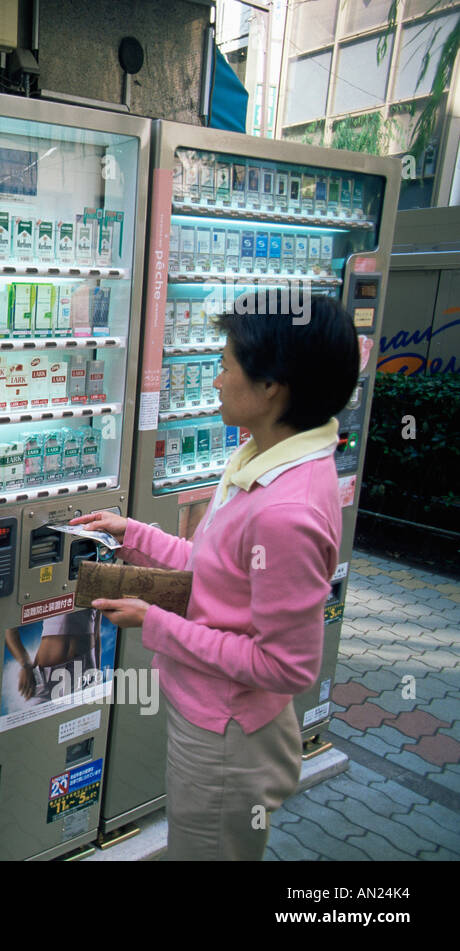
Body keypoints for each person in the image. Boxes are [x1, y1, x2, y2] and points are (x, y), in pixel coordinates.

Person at [71, 292, 356, 860]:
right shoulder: (266, 455)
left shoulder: (285, 512)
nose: (217, 381)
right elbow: (217, 568)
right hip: (215, 713)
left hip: (230, 737)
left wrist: (156, 624)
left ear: (271, 385)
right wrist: (134, 534)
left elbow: (286, 665)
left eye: (226, 366)